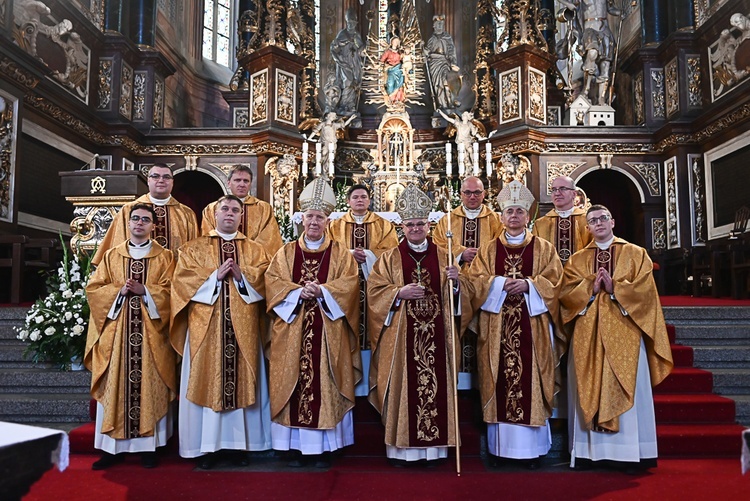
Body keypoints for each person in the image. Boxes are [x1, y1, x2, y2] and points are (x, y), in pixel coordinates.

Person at [559, 204, 673, 472]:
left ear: (612, 222)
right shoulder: (576, 260)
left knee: (628, 384)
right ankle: (589, 453)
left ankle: (631, 453)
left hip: (626, 334)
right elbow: (564, 296)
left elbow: (646, 294)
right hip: (588, 334)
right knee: (586, 386)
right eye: (592, 221)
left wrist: (615, 289)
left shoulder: (636, 254)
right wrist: (590, 287)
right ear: (587, 228)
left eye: (603, 218)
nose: (598, 223)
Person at [367, 184, 472, 465]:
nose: (415, 229)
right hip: (401, 338)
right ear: (402, 226)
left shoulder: (445, 256)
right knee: (405, 384)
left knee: (436, 383)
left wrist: (457, 282)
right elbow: (374, 292)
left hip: (438, 336)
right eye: (410, 224)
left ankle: (436, 450)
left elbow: (464, 296)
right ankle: (402, 448)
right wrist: (397, 293)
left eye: (420, 224)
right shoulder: (389, 258)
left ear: (430, 225)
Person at [265, 177, 361, 468]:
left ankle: (328, 446)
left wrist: (323, 291)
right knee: (292, 381)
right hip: (292, 329)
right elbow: (272, 281)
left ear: (328, 219)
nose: (314, 222)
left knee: (326, 383)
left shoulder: (341, 254)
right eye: (310, 216)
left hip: (328, 331)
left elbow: (351, 284)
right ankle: (291, 446)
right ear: (302, 219)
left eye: (319, 217)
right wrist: (297, 291)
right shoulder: (285, 252)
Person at [170, 195, 272, 469]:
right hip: (207, 328)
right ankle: (206, 446)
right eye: (224, 209)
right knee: (207, 379)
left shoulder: (255, 250)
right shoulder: (194, 248)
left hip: (244, 328)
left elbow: (266, 280)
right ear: (214, 215)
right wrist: (213, 277)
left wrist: (242, 276)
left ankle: (241, 446)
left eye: (235, 210)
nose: (229, 214)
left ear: (241, 216)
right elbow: (181, 283)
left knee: (242, 379)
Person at [467, 180, 564, 469]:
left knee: (530, 379)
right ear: (501, 216)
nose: (514, 216)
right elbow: (474, 282)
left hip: (532, 328)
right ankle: (500, 450)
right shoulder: (488, 250)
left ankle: (533, 452)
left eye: (519, 212)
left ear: (528, 216)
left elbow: (556, 283)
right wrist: (497, 284)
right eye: (509, 211)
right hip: (496, 328)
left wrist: (529, 285)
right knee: (499, 380)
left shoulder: (544, 249)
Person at [85, 203, 176, 470]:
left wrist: (145, 291)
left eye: (145, 219)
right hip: (116, 335)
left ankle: (149, 448)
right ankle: (111, 450)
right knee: (116, 384)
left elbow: (174, 292)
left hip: (151, 337)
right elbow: (94, 290)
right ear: (128, 222)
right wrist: (119, 291)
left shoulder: (166, 257)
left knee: (149, 384)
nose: (139, 223)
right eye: (135, 218)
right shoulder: (112, 256)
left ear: (153, 226)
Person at [326, 184, 399, 397]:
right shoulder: (335, 226)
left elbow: (391, 253)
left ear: (369, 201)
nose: (359, 200)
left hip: (375, 290)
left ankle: (373, 380)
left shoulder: (384, 225)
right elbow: (329, 252)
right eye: (355, 197)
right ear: (348, 201)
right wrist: (349, 254)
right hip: (344, 291)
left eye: (363, 197)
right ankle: (348, 380)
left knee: (373, 331)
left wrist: (366, 254)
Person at [433, 176, 503, 387]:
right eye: (468, 193)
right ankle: (457, 380)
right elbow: (437, 247)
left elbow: (502, 247)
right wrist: (460, 254)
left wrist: (482, 257)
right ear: (460, 194)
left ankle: (483, 380)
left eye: (477, 193)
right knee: (456, 328)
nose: (473, 197)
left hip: (484, 286)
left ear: (484, 194)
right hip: (455, 285)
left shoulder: (496, 220)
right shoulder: (447, 219)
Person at [92, 163, 198, 265]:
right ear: (148, 180)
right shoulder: (128, 210)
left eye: (166, 177)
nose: (161, 180)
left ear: (172, 182)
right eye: (155, 176)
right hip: (135, 274)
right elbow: (117, 246)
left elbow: (194, 251)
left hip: (175, 277)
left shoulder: (186, 213)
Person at [200, 164, 283, 257]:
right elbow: (207, 238)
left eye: (246, 181)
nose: (242, 184)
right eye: (237, 180)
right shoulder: (212, 208)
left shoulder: (263, 208)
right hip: (218, 258)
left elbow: (269, 240)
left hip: (253, 261)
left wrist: (247, 257)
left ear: (250, 184)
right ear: (229, 182)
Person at [557, 0, 621, 105]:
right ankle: (585, 90)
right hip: (590, 29)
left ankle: (601, 98)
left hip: (605, 30)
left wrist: (620, 12)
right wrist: (569, 4)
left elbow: (610, 9)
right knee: (592, 53)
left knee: (606, 63)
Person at [532, 175, 593, 266]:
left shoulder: (588, 221)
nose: (557, 193)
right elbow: (536, 256)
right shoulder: (540, 224)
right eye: (554, 190)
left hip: (581, 277)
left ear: (574, 194)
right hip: (550, 278)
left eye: (562, 188)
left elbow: (594, 252)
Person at [330, 8, 364, 115]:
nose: (351, 24)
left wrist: (363, 48)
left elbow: (361, 49)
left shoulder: (357, 34)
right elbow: (335, 46)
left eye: (353, 22)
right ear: (347, 22)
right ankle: (344, 105)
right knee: (347, 81)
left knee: (354, 82)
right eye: (349, 22)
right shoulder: (342, 34)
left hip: (355, 62)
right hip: (344, 62)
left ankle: (351, 105)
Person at [424, 15, 461, 112]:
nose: (440, 26)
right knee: (437, 84)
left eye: (441, 24)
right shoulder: (431, 39)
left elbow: (451, 51)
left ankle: (450, 102)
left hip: (444, 62)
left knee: (445, 81)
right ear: (434, 26)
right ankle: (441, 104)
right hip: (434, 63)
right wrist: (424, 51)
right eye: (438, 24)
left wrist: (453, 62)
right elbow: (428, 51)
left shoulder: (447, 37)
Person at [380, 37, 405, 106]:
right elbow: (382, 60)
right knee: (390, 84)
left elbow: (404, 60)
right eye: (394, 41)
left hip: (398, 69)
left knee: (399, 85)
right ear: (391, 42)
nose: (396, 43)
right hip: (390, 70)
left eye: (397, 42)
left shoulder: (400, 52)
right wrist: (386, 66)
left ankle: (397, 100)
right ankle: (391, 99)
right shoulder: (388, 52)